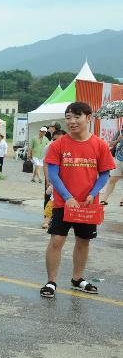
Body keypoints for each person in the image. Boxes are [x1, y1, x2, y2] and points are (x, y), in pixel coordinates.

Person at [40, 102, 115, 298]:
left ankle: (77, 278)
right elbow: (54, 175)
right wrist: (67, 197)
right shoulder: (58, 144)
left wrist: (93, 194)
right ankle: (51, 282)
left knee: (83, 242)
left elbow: (105, 174)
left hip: (87, 206)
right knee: (56, 240)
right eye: (68, 118)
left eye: (77, 117)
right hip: (63, 204)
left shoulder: (99, 145)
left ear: (88, 118)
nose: (72, 122)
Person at [41, 129, 67, 229]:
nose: (57, 141)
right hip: (52, 177)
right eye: (54, 139)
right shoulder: (50, 147)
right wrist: (48, 179)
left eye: (60, 139)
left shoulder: (70, 147)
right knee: (50, 199)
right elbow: (46, 164)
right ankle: (48, 219)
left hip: (67, 179)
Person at [99, 127, 123, 206]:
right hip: (119, 160)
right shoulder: (120, 132)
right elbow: (110, 144)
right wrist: (117, 140)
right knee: (112, 179)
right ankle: (104, 199)